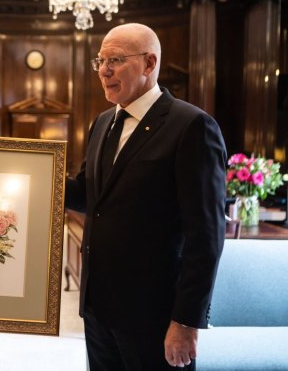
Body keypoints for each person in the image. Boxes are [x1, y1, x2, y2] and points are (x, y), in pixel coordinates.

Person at [65, 23, 227, 370]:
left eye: (116, 60)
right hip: (98, 310)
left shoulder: (191, 126)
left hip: (154, 316)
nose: (104, 70)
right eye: (101, 60)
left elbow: (207, 236)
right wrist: (36, 177)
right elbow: (90, 195)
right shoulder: (102, 122)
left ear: (150, 64)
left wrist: (186, 321)